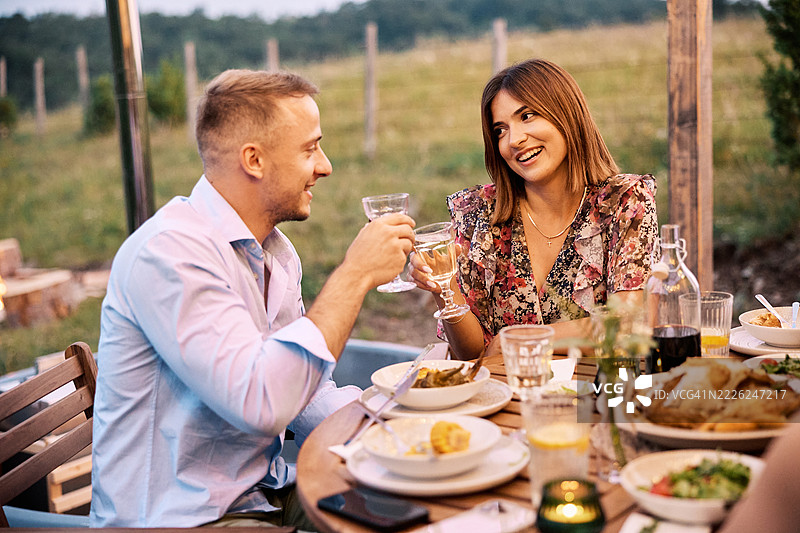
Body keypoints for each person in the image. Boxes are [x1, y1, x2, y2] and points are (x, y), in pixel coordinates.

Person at [90, 69, 415, 528]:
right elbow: (263, 403)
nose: (325, 166)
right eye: (309, 148)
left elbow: (305, 393)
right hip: (182, 519)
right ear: (254, 160)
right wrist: (355, 275)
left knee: (412, 505)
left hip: (264, 493)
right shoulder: (169, 255)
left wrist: (403, 420)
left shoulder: (274, 252)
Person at [409, 58, 658, 360]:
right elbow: (471, 356)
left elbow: (628, 325)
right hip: (504, 399)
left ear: (566, 114)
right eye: (500, 130)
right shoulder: (477, 213)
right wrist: (444, 289)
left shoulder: (623, 202)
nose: (514, 140)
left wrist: (525, 339)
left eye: (527, 116)